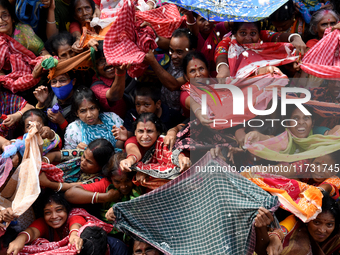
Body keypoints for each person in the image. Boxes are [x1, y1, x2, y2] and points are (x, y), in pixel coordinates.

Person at [119, 113, 191, 190]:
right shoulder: (132, 141)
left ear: (158, 132)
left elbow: (172, 153)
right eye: (140, 131)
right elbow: (133, 153)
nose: (145, 136)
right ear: (135, 132)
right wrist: (129, 160)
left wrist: (181, 157)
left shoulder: (162, 142)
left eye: (150, 131)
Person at [214, 21, 306, 79]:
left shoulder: (263, 36)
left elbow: (278, 36)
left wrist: (295, 38)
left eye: (253, 33)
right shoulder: (228, 42)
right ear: (235, 33)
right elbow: (220, 54)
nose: (248, 38)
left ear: (259, 33)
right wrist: (223, 67)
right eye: (243, 33)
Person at [6, 191, 86, 254]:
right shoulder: (44, 222)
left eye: (59, 210)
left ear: (67, 210)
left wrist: (74, 234)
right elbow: (33, 231)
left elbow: (76, 223)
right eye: (48, 212)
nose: (54, 216)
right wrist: (20, 239)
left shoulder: (74, 215)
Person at [264, 192, 340, 255]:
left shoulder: (336, 240)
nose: (322, 230)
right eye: (316, 222)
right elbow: (280, 231)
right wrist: (275, 238)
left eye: (329, 224)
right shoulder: (297, 221)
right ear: (308, 219)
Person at [143, 28, 198, 113]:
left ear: (192, 51)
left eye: (179, 52)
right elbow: (161, 41)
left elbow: (173, 85)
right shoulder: (177, 52)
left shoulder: (194, 69)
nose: (173, 56)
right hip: (164, 108)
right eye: (171, 50)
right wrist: (151, 34)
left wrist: (153, 61)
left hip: (178, 116)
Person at [34, 71, 78, 138]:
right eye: (54, 81)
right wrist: (41, 103)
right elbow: (39, 121)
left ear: (73, 81)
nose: (57, 85)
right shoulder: (50, 95)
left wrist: (62, 122)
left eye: (62, 80)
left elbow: (77, 135)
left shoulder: (80, 100)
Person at [91, 41, 128, 118]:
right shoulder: (96, 87)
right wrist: (120, 71)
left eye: (110, 58)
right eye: (101, 61)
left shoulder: (129, 67)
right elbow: (115, 96)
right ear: (94, 68)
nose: (108, 64)